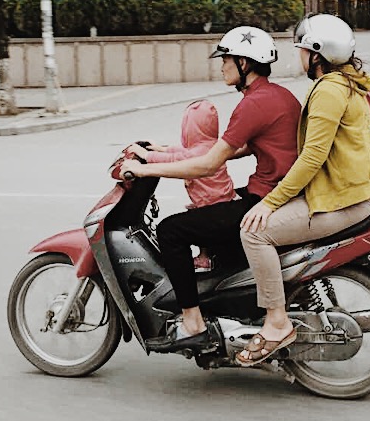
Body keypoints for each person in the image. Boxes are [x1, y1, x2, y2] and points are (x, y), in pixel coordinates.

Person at [120, 27, 301, 350]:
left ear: (245, 63)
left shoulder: (254, 104)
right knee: (214, 219)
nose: (222, 66)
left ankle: (192, 321)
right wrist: (161, 150)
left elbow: (207, 164)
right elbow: (230, 148)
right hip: (276, 193)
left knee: (171, 230)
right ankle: (231, 304)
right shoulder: (277, 96)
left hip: (267, 198)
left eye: (227, 60)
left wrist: (145, 167)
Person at [236, 14, 370, 367]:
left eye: (302, 49)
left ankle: (276, 322)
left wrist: (270, 203)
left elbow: (311, 158)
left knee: (254, 232)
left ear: (317, 54)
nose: (298, 56)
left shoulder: (329, 90)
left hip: (344, 200)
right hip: (356, 192)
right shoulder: (347, 82)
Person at [138, 99, 237, 271]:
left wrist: (146, 157)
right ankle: (204, 257)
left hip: (213, 204)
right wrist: (160, 149)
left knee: (177, 228)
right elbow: (182, 152)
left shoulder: (199, 152)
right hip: (219, 199)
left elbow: (178, 159)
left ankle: (188, 273)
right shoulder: (212, 146)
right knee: (195, 213)